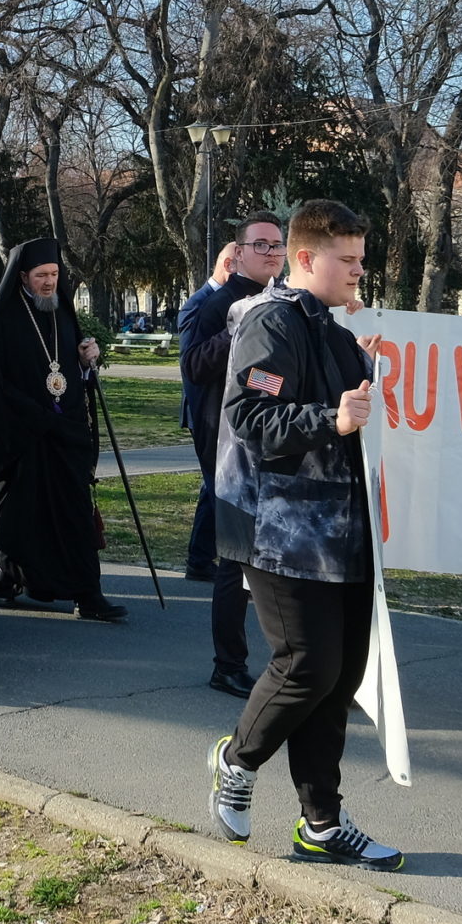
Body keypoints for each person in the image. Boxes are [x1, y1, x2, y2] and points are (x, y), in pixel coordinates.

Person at [206, 199, 406, 872]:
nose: (360, 269)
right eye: (347, 259)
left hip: (340, 534)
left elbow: (337, 409)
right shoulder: (272, 319)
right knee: (308, 665)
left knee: (339, 677)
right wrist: (334, 415)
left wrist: (361, 375)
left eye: (360, 257)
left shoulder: (329, 327)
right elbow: (252, 417)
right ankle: (236, 759)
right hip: (279, 532)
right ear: (305, 258)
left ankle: (321, 822)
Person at [0, 238, 124, 622]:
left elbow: (70, 375)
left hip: (64, 436)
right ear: (22, 276)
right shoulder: (2, 320)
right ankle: (4, 580)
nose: (48, 283)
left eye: (54, 275)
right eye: (41, 275)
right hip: (21, 439)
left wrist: (87, 362)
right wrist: (37, 416)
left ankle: (88, 595)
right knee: (14, 518)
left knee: (75, 514)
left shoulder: (63, 313)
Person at [180, 215, 284, 693]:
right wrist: (239, 330)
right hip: (224, 445)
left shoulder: (280, 302)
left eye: (276, 245)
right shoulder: (220, 302)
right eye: (259, 244)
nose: (269, 253)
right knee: (235, 559)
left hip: (269, 440)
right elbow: (195, 367)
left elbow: (263, 378)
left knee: (269, 556)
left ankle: (294, 664)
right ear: (238, 252)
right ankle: (228, 664)